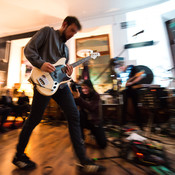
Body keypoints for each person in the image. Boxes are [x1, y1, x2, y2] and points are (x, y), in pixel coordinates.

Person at [12, 16, 106, 173]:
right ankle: (19, 156)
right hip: (42, 82)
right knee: (34, 119)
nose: (72, 35)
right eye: (71, 31)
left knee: (74, 115)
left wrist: (68, 73)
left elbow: (62, 74)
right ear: (64, 24)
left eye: (75, 33)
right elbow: (29, 49)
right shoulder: (47, 32)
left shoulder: (66, 50)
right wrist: (41, 63)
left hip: (59, 86)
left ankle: (83, 161)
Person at [71, 80, 107, 149]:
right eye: (83, 88)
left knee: (103, 144)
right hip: (85, 120)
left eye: (86, 88)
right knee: (79, 114)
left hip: (95, 122)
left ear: (90, 87)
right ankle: (81, 139)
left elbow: (91, 107)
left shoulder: (96, 95)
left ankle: (94, 134)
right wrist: (74, 96)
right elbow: (74, 105)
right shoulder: (81, 95)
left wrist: (78, 98)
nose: (84, 90)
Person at [117, 64, 145, 130]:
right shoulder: (121, 73)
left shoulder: (131, 67)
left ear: (123, 66)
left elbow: (140, 76)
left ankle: (140, 124)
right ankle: (123, 123)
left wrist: (131, 83)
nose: (120, 69)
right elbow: (121, 82)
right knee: (124, 106)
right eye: (119, 68)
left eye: (121, 67)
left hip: (133, 89)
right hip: (125, 90)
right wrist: (121, 85)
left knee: (136, 106)